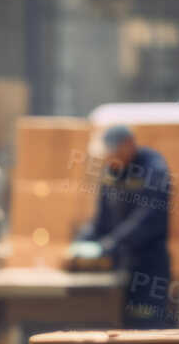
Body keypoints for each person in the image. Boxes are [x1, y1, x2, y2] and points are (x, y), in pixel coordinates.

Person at [69, 124, 173, 328]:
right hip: (121, 266)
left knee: (145, 330)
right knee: (120, 329)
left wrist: (110, 244)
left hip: (149, 268)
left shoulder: (153, 169)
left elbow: (148, 219)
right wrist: (83, 242)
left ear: (129, 145)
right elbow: (103, 218)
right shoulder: (113, 171)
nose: (110, 161)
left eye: (114, 154)